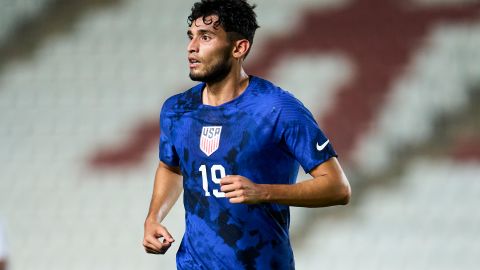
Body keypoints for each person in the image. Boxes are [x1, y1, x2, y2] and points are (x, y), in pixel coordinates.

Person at [143, 0, 351, 269]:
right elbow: (170, 167)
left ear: (239, 47)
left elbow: (337, 187)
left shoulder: (278, 108)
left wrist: (263, 192)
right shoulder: (177, 109)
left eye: (205, 37)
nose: (191, 47)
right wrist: (153, 218)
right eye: (191, 36)